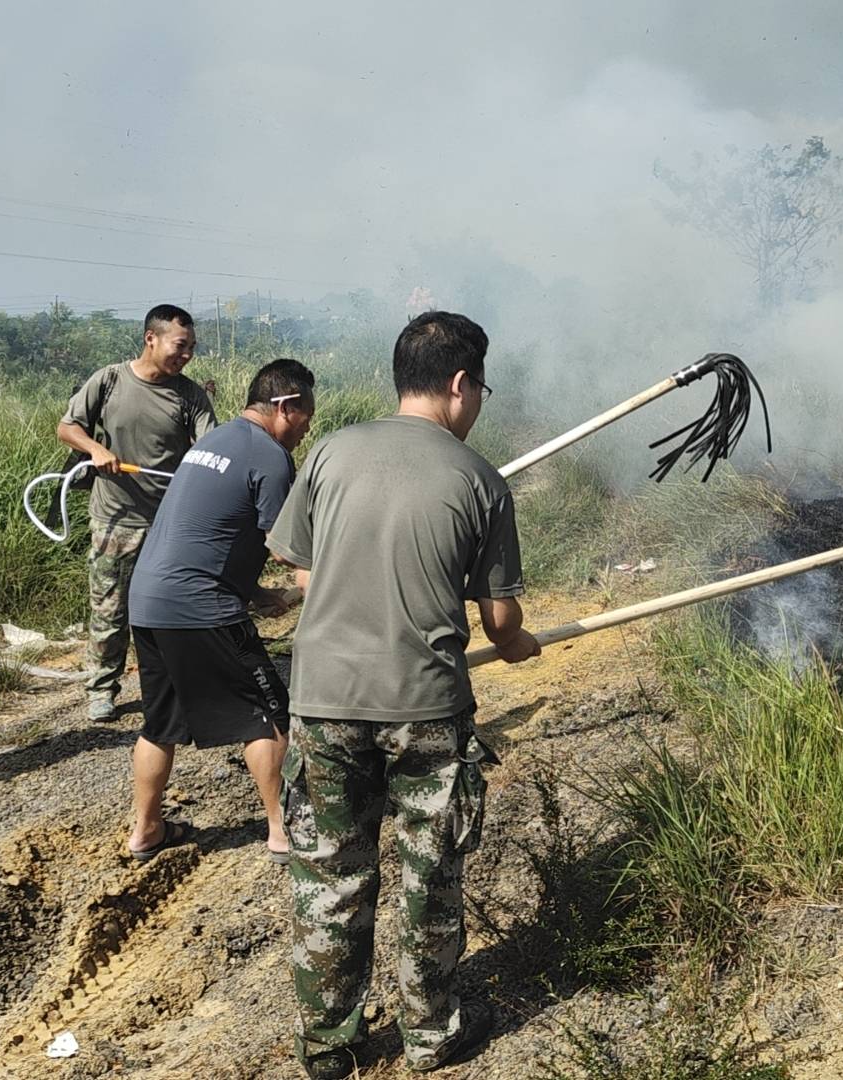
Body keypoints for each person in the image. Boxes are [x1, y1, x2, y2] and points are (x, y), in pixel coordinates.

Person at [267, 311, 541, 1079]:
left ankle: (327, 1047)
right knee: (431, 876)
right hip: (424, 707)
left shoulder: (327, 452)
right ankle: (430, 1036)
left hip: (322, 700)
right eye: (481, 386)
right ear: (460, 383)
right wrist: (520, 646)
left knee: (331, 876)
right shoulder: (479, 479)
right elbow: (501, 619)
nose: (480, 400)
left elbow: (303, 571)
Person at [122, 358, 315, 864]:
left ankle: (145, 831)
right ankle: (283, 830)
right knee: (268, 714)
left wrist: (252, 592)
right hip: (201, 606)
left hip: (148, 600)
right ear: (285, 406)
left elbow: (205, 530)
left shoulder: (211, 443)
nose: (303, 431)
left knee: (159, 723)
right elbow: (289, 549)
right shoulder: (270, 457)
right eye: (304, 418)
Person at [56, 304, 218, 722]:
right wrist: (95, 450)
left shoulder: (190, 396)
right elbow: (67, 427)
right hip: (115, 520)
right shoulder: (109, 380)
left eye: (191, 348)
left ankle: (177, 684)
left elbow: (210, 450)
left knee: (173, 608)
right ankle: (101, 690)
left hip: (170, 522)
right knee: (110, 609)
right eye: (180, 346)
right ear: (151, 338)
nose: (186, 356)